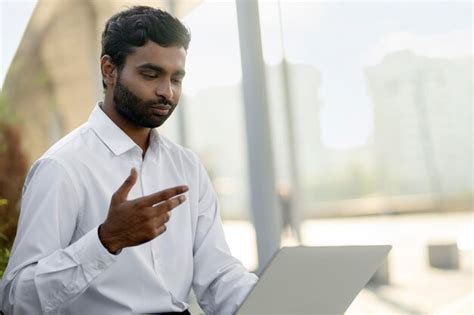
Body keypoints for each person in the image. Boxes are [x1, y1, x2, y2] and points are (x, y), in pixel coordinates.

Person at [0, 6, 257, 315]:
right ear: (109, 70)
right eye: (151, 75)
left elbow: (218, 276)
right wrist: (106, 239)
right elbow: (16, 299)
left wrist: (285, 302)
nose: (167, 92)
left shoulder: (186, 166)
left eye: (176, 78)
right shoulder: (62, 168)